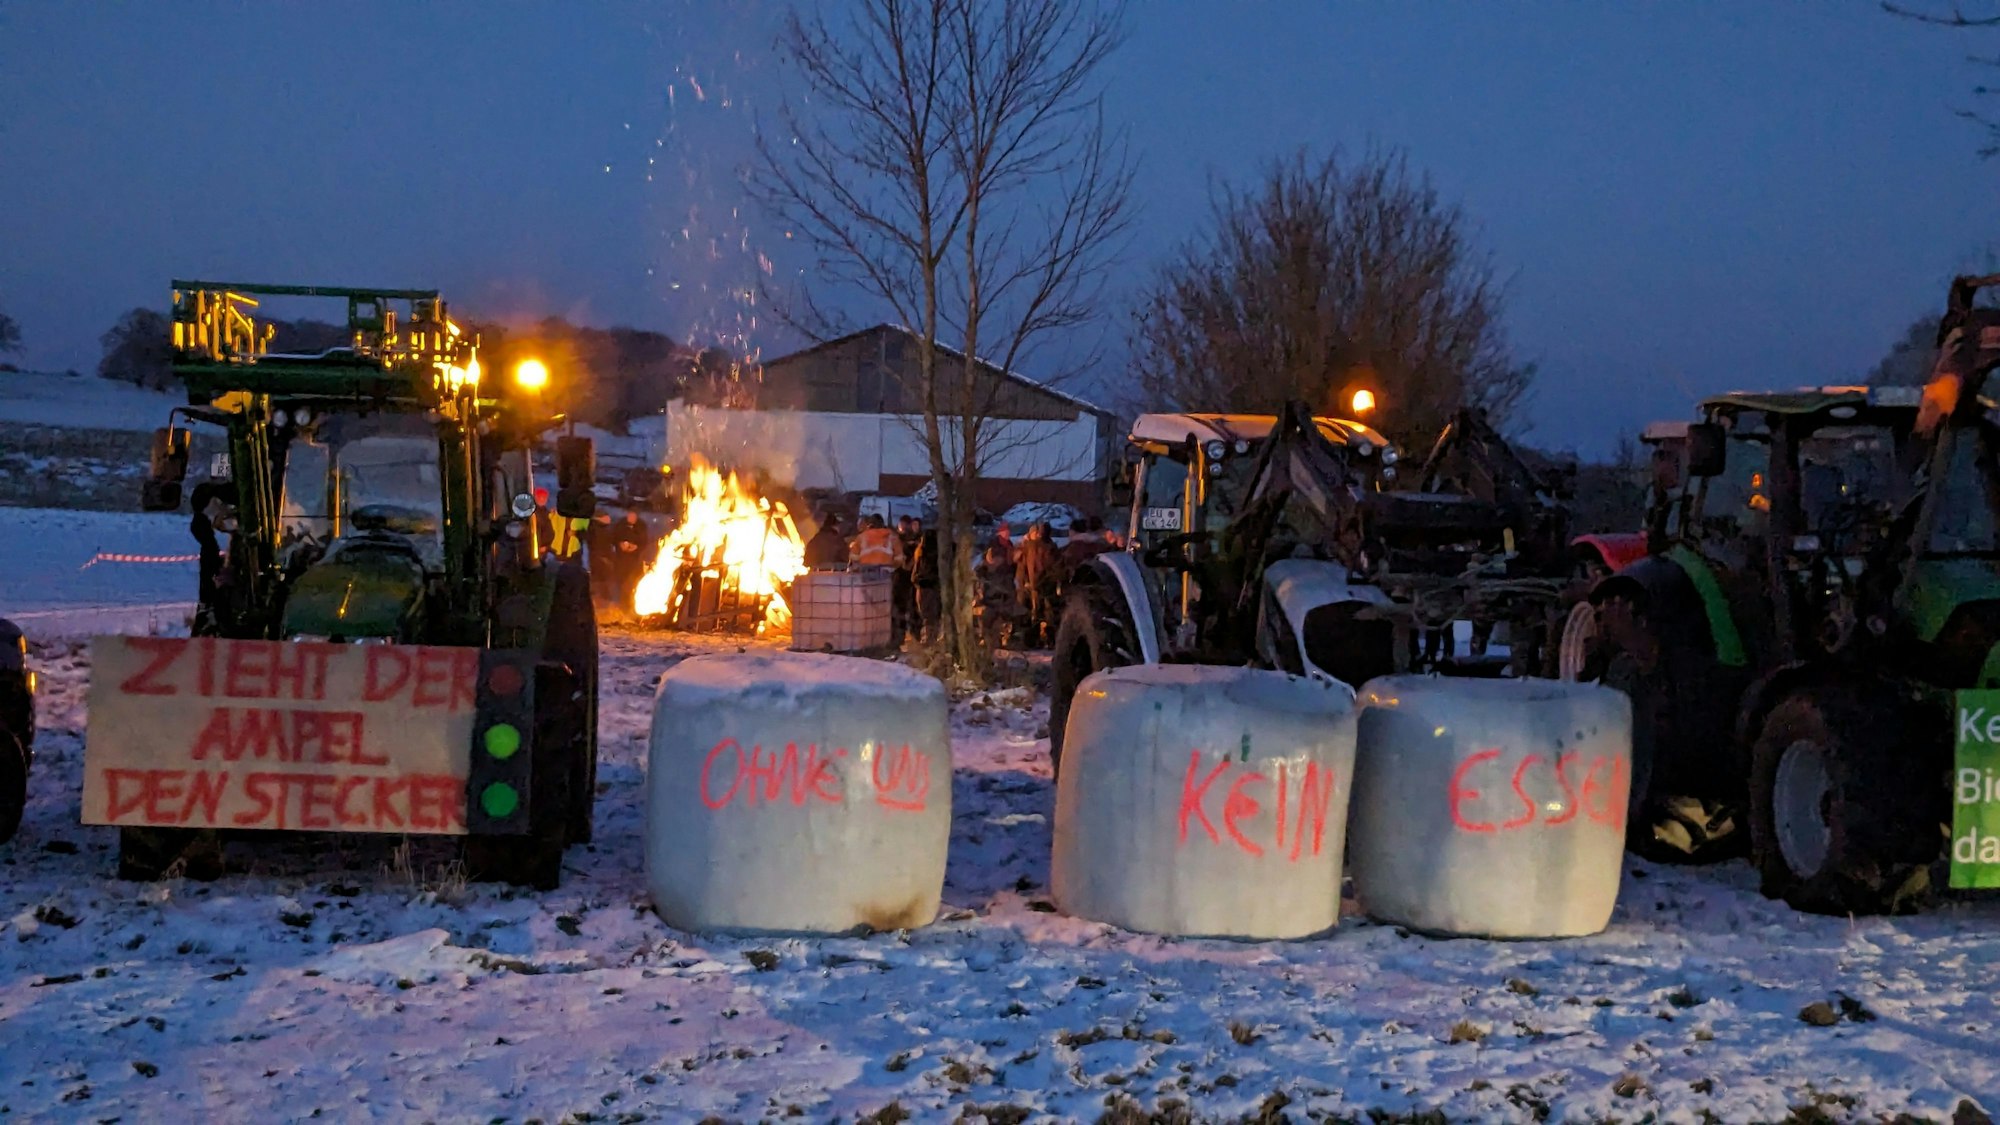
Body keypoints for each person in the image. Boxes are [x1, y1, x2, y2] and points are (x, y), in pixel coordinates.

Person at [1013, 520, 1059, 648]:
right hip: (1040, 584)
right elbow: (1025, 566)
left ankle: (1036, 640)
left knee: (1039, 613)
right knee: (1041, 612)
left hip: (1037, 584)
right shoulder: (1034, 546)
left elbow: (1025, 566)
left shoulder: (1032, 546)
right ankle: (1045, 640)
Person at [612, 510, 654, 613]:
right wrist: (620, 544)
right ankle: (622, 605)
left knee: (632, 582)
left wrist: (635, 547)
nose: (631, 518)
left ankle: (632, 607)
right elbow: (613, 537)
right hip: (621, 559)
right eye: (629, 516)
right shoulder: (621, 525)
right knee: (621, 582)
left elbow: (644, 541)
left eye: (633, 516)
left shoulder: (641, 526)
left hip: (635, 560)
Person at [912, 524, 941, 643]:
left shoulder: (921, 554)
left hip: (922, 588)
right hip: (934, 588)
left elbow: (914, 574)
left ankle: (928, 640)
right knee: (933, 617)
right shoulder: (940, 555)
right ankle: (931, 640)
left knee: (927, 616)